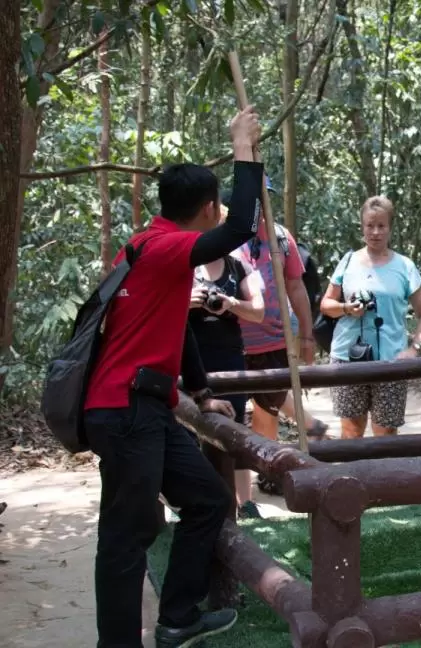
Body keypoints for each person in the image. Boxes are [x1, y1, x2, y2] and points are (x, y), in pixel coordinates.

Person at [81, 108, 263, 647]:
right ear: (207, 207)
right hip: (124, 411)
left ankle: (178, 618)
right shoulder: (163, 248)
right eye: (217, 205)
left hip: (149, 408)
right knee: (126, 536)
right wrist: (242, 147)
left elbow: (173, 326)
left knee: (208, 501)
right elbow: (241, 228)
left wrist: (202, 392)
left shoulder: (148, 249)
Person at [230, 188, 328, 470]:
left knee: (267, 409)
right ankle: (237, 490)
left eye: (263, 197)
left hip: (274, 339)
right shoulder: (225, 238)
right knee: (232, 413)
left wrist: (307, 336)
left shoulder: (282, 237)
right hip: (233, 342)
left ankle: (266, 471)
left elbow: (296, 287)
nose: (258, 205)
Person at [319, 196, 421, 437]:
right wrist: (347, 308)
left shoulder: (404, 266)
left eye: (381, 226)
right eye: (370, 225)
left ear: (390, 228)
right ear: (362, 227)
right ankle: (352, 476)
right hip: (348, 356)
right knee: (351, 432)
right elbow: (326, 305)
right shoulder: (348, 261)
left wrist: (414, 348)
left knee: (386, 435)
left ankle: (383, 476)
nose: (375, 232)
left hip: (391, 359)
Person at [188, 197, 266, 519]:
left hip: (229, 357)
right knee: (191, 429)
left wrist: (231, 302)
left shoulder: (239, 266)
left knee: (233, 428)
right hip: (192, 358)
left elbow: (258, 311)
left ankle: (244, 503)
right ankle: (198, 503)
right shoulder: (186, 265)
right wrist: (190, 302)